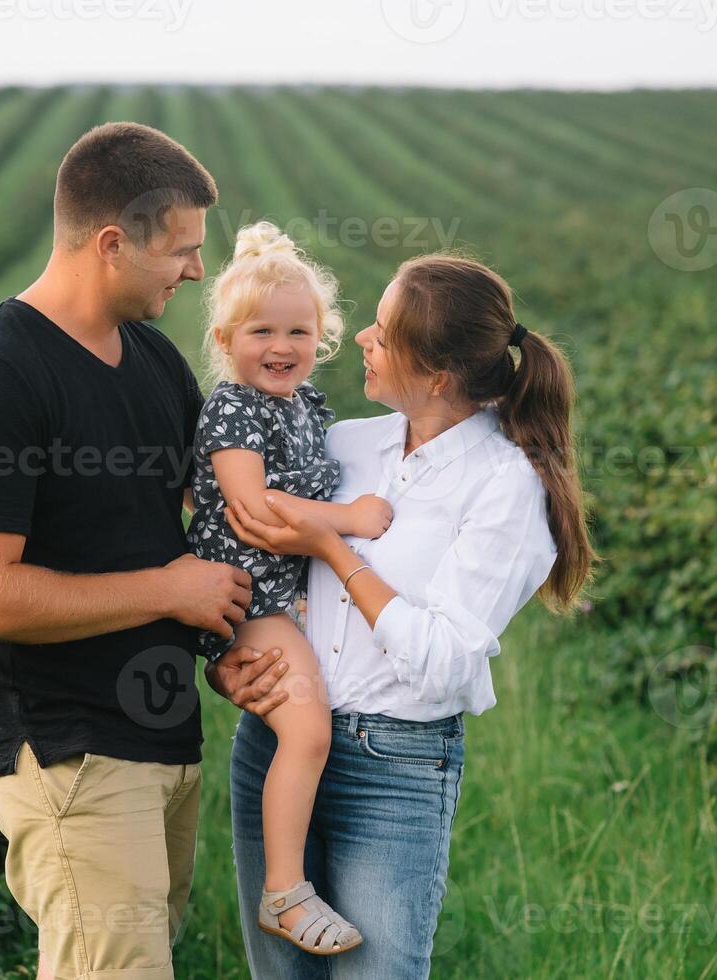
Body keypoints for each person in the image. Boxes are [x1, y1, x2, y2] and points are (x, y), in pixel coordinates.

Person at [0, 121, 286, 980]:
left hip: (163, 737)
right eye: (183, 251)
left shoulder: (153, 360)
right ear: (113, 243)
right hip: (67, 749)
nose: (197, 271)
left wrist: (226, 639)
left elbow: (205, 530)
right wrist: (167, 590)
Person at [218, 253, 597, 979]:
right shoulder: (349, 443)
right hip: (275, 741)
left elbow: (445, 657)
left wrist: (334, 546)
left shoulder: (504, 489)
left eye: (384, 334)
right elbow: (254, 553)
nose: (360, 337)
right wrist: (233, 666)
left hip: (391, 770)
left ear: (437, 377)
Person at [185, 221, 395, 955]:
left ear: (322, 337)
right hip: (250, 595)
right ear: (225, 339)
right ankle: (285, 893)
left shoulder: (306, 406)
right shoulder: (234, 406)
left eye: (299, 331)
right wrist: (351, 521)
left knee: (303, 731)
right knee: (308, 728)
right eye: (262, 331)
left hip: (290, 592)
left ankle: (300, 876)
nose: (282, 347)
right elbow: (253, 509)